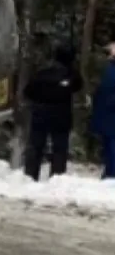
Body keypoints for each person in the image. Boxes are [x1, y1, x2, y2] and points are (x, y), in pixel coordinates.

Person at [23, 43, 82, 180]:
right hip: (61, 117)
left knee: (36, 146)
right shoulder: (71, 75)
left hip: (40, 115)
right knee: (59, 149)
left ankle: (30, 176)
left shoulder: (41, 72)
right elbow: (78, 85)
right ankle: (57, 177)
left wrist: (39, 101)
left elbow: (28, 91)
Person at [91, 43, 115, 179]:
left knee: (110, 146)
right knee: (110, 146)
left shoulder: (107, 70)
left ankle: (110, 174)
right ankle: (110, 174)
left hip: (106, 115)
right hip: (109, 115)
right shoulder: (108, 71)